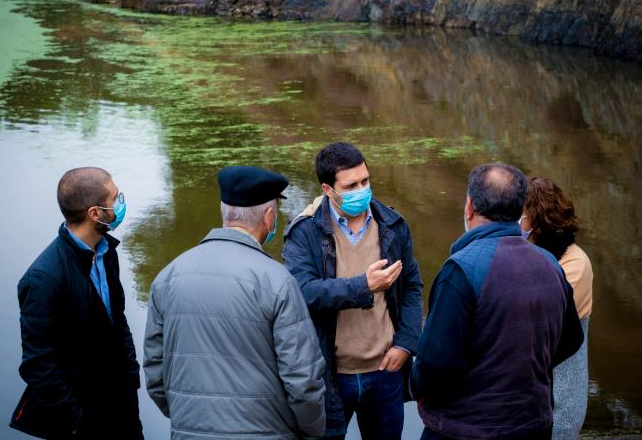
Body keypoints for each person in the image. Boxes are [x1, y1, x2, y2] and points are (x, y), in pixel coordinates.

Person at [143, 166, 326, 440]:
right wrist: (312, 431)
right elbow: (303, 380)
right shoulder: (278, 281)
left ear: (224, 211)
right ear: (269, 216)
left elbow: (155, 371)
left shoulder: (167, 277)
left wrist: (189, 416)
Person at [410, 162, 584, 440]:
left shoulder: (461, 270)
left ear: (469, 207)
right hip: (534, 424)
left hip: (466, 430)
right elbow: (572, 339)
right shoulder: (550, 264)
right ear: (519, 211)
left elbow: (433, 366)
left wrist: (416, 386)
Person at [283, 142, 424, 440]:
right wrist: (363, 286)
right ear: (328, 189)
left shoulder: (393, 225)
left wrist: (406, 343)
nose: (362, 189)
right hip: (329, 377)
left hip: (385, 372)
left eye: (365, 181)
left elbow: (411, 286)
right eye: (351, 185)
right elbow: (302, 293)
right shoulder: (304, 232)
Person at [10, 167, 142, 439]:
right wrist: (75, 421)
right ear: (94, 213)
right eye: (115, 198)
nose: (121, 204)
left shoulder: (106, 252)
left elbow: (118, 321)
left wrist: (131, 380)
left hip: (121, 406)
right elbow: (38, 364)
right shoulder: (43, 278)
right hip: (79, 420)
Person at [521, 177, 594, 440]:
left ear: (538, 219)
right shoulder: (529, 253)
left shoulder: (574, 263)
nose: (516, 221)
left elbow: (540, 318)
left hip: (560, 392)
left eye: (522, 213)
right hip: (533, 392)